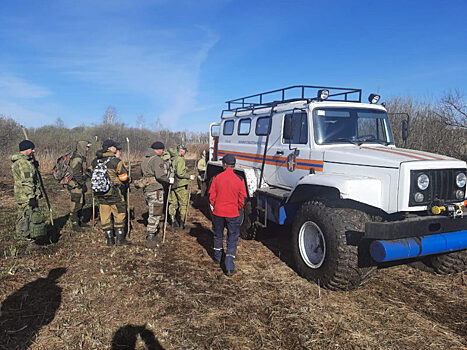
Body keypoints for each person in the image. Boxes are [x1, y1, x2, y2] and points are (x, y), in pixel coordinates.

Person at [209, 154, 247, 276]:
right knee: (232, 238)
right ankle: (229, 266)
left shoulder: (216, 177)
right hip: (233, 213)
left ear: (224, 165)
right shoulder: (240, 179)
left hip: (218, 212)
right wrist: (237, 207)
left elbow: (211, 196)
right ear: (233, 165)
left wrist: (217, 205)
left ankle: (217, 258)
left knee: (218, 235)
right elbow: (243, 198)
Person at [90, 140, 130, 246]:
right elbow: (124, 177)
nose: (116, 149)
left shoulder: (95, 161)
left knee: (104, 215)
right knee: (120, 213)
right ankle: (120, 240)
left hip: (99, 193)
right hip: (114, 193)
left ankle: (109, 239)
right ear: (109, 148)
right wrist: (127, 180)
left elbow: (89, 173)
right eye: (114, 147)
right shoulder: (116, 161)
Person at [11, 140, 47, 247]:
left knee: (22, 214)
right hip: (26, 195)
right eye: (32, 149)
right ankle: (26, 238)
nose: (33, 151)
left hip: (21, 194)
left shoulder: (20, 161)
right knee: (27, 216)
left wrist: (33, 166)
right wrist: (31, 197)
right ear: (26, 149)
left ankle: (21, 236)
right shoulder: (23, 164)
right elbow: (27, 181)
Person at [140, 141, 173, 242]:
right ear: (158, 150)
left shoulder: (145, 159)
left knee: (151, 209)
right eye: (162, 150)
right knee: (156, 212)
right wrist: (169, 180)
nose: (163, 152)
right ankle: (151, 234)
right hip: (155, 189)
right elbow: (160, 175)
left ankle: (151, 231)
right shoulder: (157, 159)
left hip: (146, 188)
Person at [168, 144, 194, 229]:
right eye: (185, 151)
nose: (185, 153)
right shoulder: (180, 159)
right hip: (180, 184)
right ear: (181, 150)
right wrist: (189, 176)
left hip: (172, 184)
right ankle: (182, 224)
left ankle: (172, 221)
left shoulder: (172, 158)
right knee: (183, 204)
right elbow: (180, 173)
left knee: (173, 203)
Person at [67, 140, 91, 232]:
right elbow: (76, 173)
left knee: (81, 202)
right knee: (75, 203)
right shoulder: (77, 158)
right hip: (75, 185)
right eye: (87, 147)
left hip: (79, 184)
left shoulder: (81, 157)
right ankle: (74, 223)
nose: (88, 149)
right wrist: (81, 183)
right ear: (82, 147)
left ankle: (79, 221)